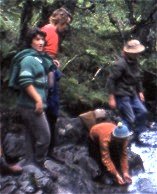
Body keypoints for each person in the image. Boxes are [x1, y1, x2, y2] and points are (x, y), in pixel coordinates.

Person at [9, 28, 56, 168]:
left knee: (30, 136)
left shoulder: (40, 59)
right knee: (45, 137)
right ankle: (39, 164)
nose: (41, 42)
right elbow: (25, 81)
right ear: (30, 42)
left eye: (42, 39)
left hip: (31, 104)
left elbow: (47, 80)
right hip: (30, 105)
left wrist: (51, 67)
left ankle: (29, 164)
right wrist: (38, 100)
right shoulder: (28, 59)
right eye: (37, 39)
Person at [41, 7, 72, 154]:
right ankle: (49, 149)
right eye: (66, 24)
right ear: (61, 21)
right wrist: (52, 63)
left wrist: (53, 61)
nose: (65, 28)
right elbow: (48, 55)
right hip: (47, 74)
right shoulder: (52, 32)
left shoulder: (45, 28)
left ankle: (45, 148)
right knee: (52, 111)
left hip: (43, 70)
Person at [106, 39, 148, 140]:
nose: (138, 54)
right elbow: (111, 80)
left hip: (132, 93)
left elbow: (137, 79)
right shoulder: (120, 64)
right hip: (121, 95)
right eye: (135, 53)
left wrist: (140, 91)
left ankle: (136, 134)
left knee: (143, 112)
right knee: (129, 118)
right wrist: (111, 98)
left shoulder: (135, 62)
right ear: (129, 53)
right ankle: (121, 137)